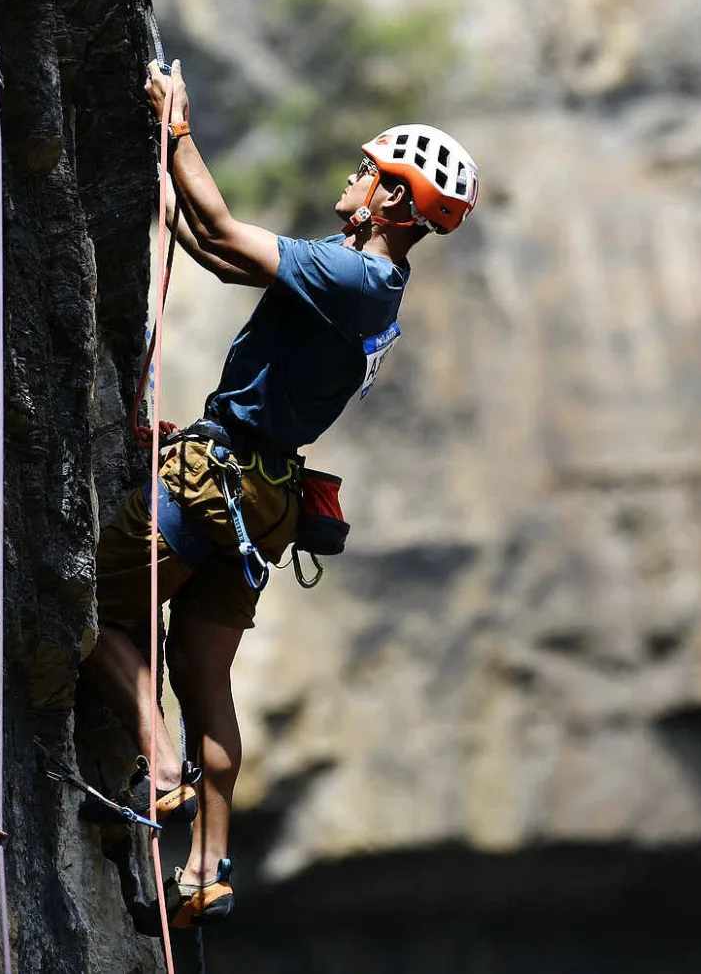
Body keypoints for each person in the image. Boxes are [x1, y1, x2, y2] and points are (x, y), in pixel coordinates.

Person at [85, 58, 479, 929]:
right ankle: (205, 868)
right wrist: (160, 177)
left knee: (91, 606)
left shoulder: (356, 278)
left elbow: (223, 232)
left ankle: (156, 763)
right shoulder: (367, 282)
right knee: (203, 671)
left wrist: (176, 126)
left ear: (394, 203)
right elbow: (218, 256)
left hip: (211, 482)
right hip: (263, 502)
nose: (352, 178)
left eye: (368, 172)